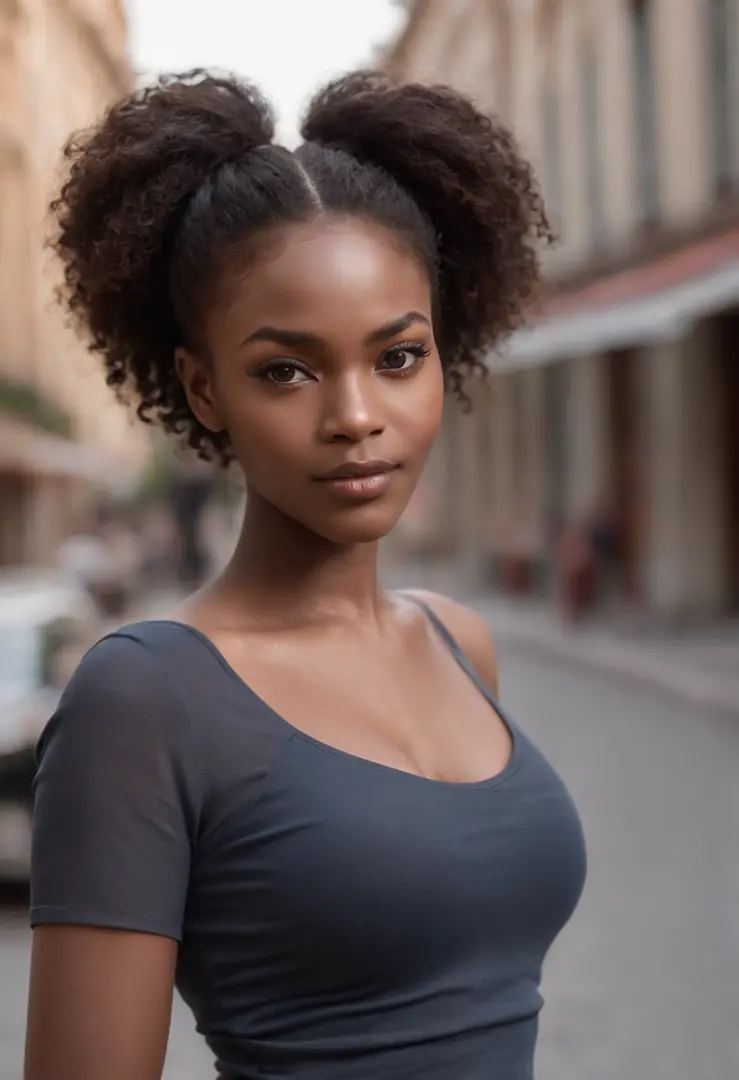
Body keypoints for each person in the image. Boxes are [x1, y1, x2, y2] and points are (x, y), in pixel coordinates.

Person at [25, 70, 587, 1080]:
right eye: (287, 369)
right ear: (203, 388)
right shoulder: (148, 700)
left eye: (397, 357)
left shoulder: (461, 646)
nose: (355, 415)